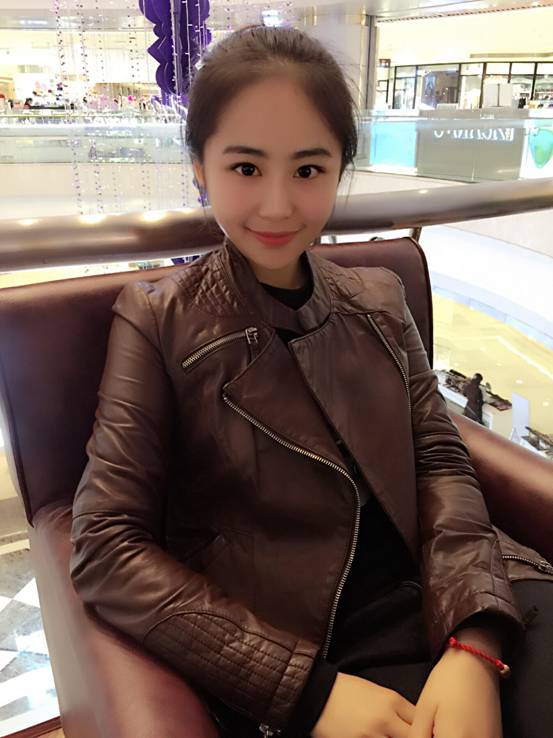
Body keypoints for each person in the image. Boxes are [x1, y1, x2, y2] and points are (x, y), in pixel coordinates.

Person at [70, 25, 553, 738]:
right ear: (199, 166)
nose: (276, 206)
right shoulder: (157, 319)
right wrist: (306, 690)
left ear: (339, 169)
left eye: (307, 170)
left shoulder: (379, 298)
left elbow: (440, 463)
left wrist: (474, 639)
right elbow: (106, 546)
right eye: (245, 167)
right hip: (307, 645)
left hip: (459, 593)